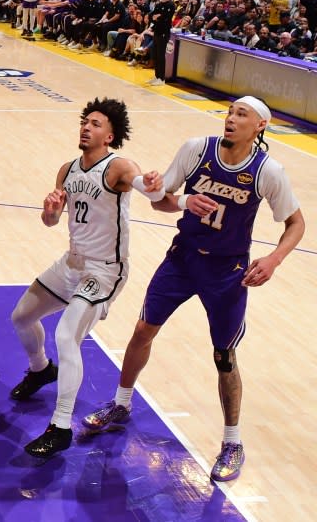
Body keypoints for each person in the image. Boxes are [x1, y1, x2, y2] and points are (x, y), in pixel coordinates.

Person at [83, 96, 304, 482]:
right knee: (141, 331)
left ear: (261, 126)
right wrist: (165, 193)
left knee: (224, 356)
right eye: (230, 112)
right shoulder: (195, 150)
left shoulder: (268, 170)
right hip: (182, 258)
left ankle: (232, 442)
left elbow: (296, 224)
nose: (231, 119)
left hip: (227, 271)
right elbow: (160, 203)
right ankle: (121, 403)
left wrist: (273, 260)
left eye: (241, 115)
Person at [9, 98, 164, 458]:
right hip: (72, 263)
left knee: (66, 335)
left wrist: (153, 184)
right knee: (21, 318)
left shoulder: (118, 167)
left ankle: (60, 426)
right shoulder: (67, 170)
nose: (86, 127)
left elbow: (149, 189)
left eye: (95, 124)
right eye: (84, 121)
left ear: (109, 135)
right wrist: (49, 213)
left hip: (105, 269)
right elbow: (52, 221)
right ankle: (40, 370)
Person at [146, 0, 175, 85]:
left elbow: (166, 18)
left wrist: (157, 17)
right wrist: (156, 17)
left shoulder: (171, 5)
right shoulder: (158, 4)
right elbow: (151, 15)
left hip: (164, 33)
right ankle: (156, 76)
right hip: (156, 32)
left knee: (161, 55)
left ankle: (162, 79)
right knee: (155, 55)